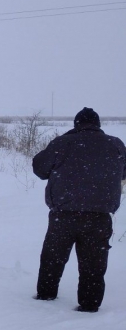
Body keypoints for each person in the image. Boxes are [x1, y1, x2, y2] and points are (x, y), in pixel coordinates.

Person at [32, 107, 126, 312]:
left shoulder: (63, 143)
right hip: (99, 217)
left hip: (63, 215)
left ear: (76, 124)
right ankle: (90, 305)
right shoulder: (116, 144)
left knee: (53, 257)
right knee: (94, 263)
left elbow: (40, 168)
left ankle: (46, 296)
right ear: (98, 125)